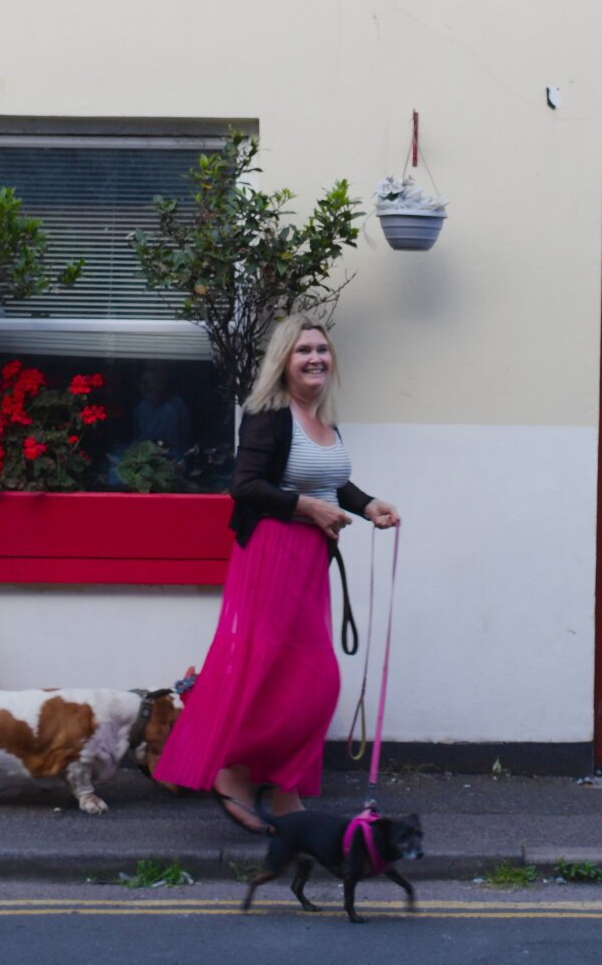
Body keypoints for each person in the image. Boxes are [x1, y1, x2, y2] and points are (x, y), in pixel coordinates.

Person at [153, 315, 400, 833]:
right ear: (283, 362)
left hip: (309, 562)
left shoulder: (323, 421)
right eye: (303, 350)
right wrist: (308, 509)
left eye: (322, 349)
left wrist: (367, 503)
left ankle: (281, 784)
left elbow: (333, 483)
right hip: (271, 557)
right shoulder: (267, 416)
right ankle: (234, 775)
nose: (315, 358)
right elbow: (244, 486)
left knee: (311, 682)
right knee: (268, 673)